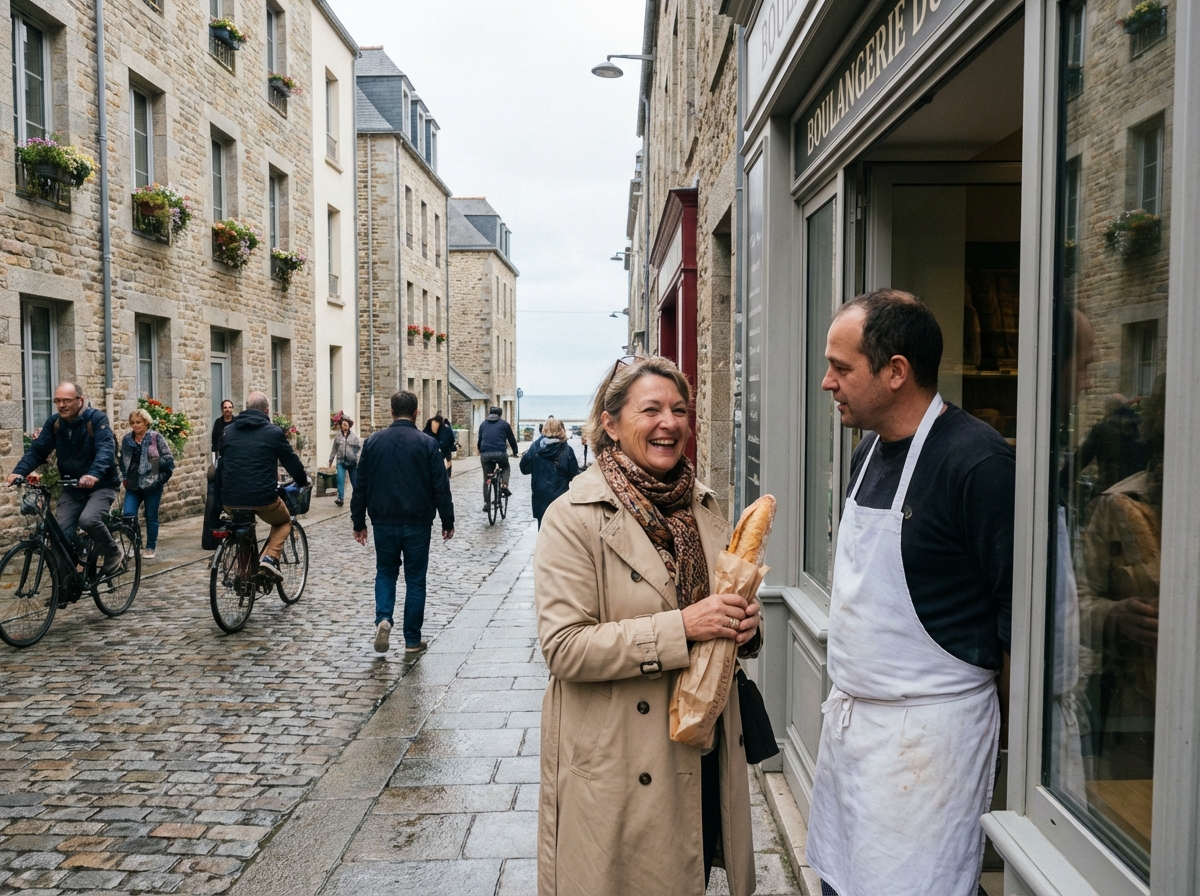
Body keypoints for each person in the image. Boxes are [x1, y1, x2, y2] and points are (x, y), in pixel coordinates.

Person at [804, 290, 1015, 896]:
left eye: (840, 368)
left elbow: (1023, 616)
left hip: (931, 745)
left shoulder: (977, 462)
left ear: (896, 372)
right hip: (855, 734)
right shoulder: (867, 451)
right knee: (842, 883)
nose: (827, 383)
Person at [535, 356, 761, 896]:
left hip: (699, 751)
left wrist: (744, 627)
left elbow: (718, 614)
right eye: (651, 409)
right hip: (621, 763)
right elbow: (564, 648)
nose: (669, 423)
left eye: (679, 410)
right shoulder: (573, 517)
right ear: (610, 423)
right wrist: (684, 627)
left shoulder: (704, 507)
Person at [352, 390, 454, 655]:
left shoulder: (373, 442)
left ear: (391, 411)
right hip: (418, 522)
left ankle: (384, 618)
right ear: (416, 413)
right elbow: (440, 486)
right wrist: (447, 519)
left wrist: (358, 522)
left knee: (386, 572)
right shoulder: (427, 444)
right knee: (416, 580)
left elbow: (360, 485)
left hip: (384, 520)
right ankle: (411, 640)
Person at [8, 383, 123, 576]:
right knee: (59, 534)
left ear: (80, 400)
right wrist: (19, 472)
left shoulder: (96, 419)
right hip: (72, 487)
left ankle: (113, 552)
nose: (62, 405)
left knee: (88, 520)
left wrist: (94, 474)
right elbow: (38, 450)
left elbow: (105, 449)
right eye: (57, 401)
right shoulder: (55, 423)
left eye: (67, 400)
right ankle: (64, 588)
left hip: (101, 485)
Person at [215, 391, 309, 582]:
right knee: (284, 521)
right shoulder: (273, 432)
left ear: (246, 408)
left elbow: (221, 465)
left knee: (244, 525)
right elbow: (292, 463)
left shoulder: (228, 431)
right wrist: (302, 481)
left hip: (230, 499)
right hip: (262, 498)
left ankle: (244, 573)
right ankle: (269, 558)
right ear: (267, 410)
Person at [119, 408, 175, 560]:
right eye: (132, 423)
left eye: (138, 422)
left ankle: (150, 547)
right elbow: (122, 461)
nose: (135, 425)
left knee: (151, 516)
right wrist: (124, 477)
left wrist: (157, 473)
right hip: (133, 484)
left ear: (145, 422)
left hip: (152, 485)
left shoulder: (155, 437)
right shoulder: (127, 439)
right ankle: (135, 543)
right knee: (128, 515)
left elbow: (169, 460)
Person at [518, 416, 579, 527]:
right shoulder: (567, 450)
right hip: (561, 498)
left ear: (544, 429)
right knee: (561, 532)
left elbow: (524, 469)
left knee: (543, 530)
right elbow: (574, 475)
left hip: (540, 497)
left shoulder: (536, 447)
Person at [477, 405, 518, 511]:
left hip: (485, 454)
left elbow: (480, 440)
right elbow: (512, 440)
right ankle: (504, 485)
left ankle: (486, 503)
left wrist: (481, 450)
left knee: (486, 478)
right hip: (500, 453)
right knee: (505, 467)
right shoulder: (504, 424)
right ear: (500, 415)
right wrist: (515, 452)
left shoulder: (483, 424)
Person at [327, 417, 362, 507]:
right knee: (340, 480)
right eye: (343, 424)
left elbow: (359, 449)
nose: (344, 425)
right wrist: (331, 459)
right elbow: (334, 448)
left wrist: (358, 460)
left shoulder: (354, 436)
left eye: (346, 424)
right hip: (341, 461)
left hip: (352, 462)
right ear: (341, 425)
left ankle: (357, 498)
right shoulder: (338, 436)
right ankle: (340, 499)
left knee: (354, 481)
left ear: (349, 425)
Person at [422, 411, 457, 475]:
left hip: (441, 449)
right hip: (440, 450)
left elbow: (448, 441)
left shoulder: (444, 428)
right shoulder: (445, 427)